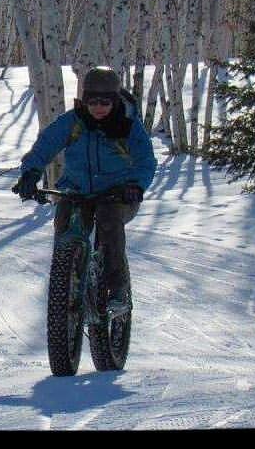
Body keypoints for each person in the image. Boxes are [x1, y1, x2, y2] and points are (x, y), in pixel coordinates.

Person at [12, 66, 157, 314]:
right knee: (65, 220)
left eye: (105, 101)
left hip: (119, 193)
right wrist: (31, 172)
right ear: (84, 99)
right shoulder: (73, 121)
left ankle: (117, 290)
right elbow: (46, 145)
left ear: (114, 100)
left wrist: (135, 185)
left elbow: (146, 160)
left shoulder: (127, 125)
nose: (98, 107)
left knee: (109, 221)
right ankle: (67, 280)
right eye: (92, 101)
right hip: (78, 190)